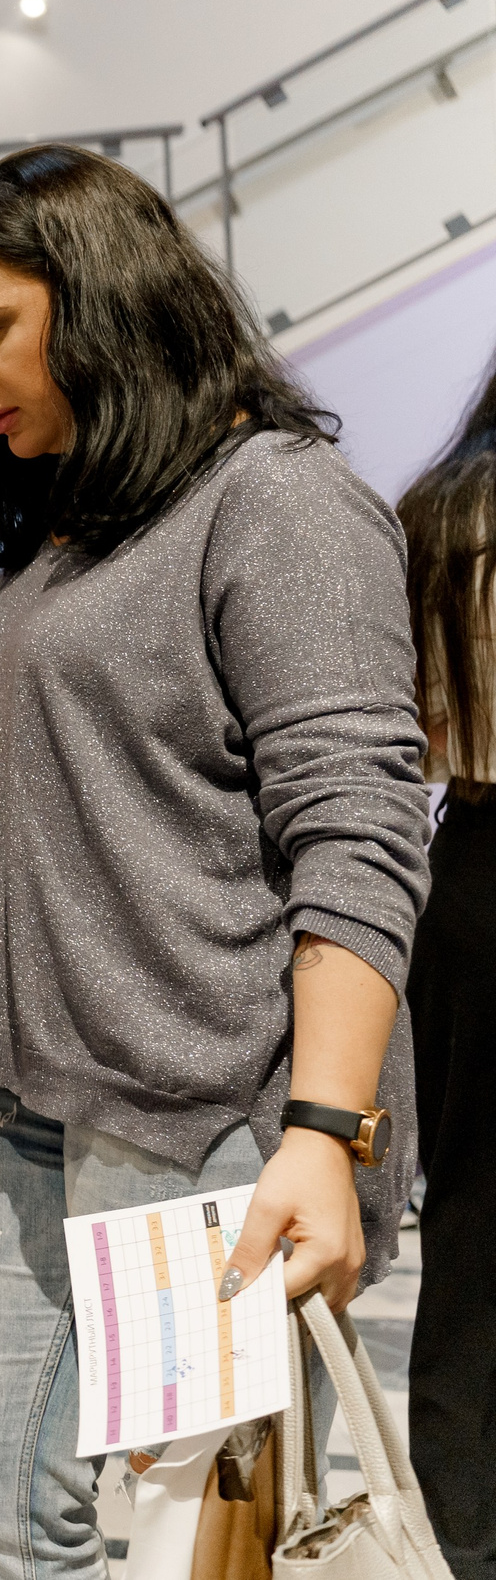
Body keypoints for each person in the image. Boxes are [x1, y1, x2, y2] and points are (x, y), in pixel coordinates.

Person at [0, 145, 431, 1578]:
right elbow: (47, 794)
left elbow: (356, 833)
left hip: (208, 1112)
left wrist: (325, 1127)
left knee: (209, 1542)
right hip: (26, 1098)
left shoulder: (277, 501)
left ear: (101, 295)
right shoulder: (71, 530)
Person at [398, 353, 496, 1577]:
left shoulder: (439, 507)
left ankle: (465, 1546)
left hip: (470, 872)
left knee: (468, 1237)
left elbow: (411, 738)